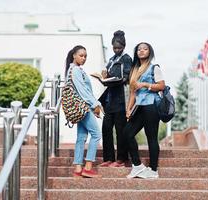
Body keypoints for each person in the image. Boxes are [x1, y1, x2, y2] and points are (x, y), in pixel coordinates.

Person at [124, 42, 165, 179]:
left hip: (152, 105)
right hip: (140, 107)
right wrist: (128, 109)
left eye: (145, 49)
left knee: (151, 137)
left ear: (150, 52)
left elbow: (161, 86)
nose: (141, 51)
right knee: (127, 133)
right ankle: (137, 166)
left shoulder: (154, 68)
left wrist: (145, 84)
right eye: (139, 49)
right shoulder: (135, 70)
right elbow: (133, 93)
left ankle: (153, 170)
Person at [64, 45, 102, 178]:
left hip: (80, 108)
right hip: (83, 107)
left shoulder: (74, 70)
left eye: (85, 56)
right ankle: (88, 167)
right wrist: (95, 104)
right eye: (81, 55)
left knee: (81, 136)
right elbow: (83, 91)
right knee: (96, 134)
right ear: (74, 55)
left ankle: (78, 168)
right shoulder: (75, 70)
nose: (84, 58)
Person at [98, 30, 133, 167]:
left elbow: (126, 77)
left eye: (119, 48)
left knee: (120, 129)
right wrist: (104, 76)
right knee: (106, 128)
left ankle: (121, 159)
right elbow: (108, 76)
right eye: (114, 48)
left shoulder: (126, 58)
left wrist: (117, 79)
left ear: (124, 46)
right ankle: (108, 158)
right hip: (110, 99)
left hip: (121, 99)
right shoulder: (112, 60)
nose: (117, 50)